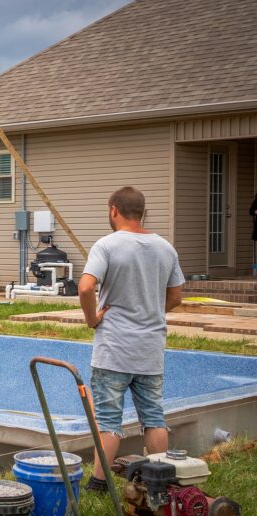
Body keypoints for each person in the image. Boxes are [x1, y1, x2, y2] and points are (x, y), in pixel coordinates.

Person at [78, 186, 184, 492]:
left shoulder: (107, 245)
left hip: (114, 348)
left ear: (114, 210)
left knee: (109, 420)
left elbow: (86, 288)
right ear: (142, 212)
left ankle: (99, 483)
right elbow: (176, 296)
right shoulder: (165, 248)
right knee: (153, 416)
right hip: (150, 347)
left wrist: (91, 319)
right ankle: (160, 481)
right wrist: (151, 307)